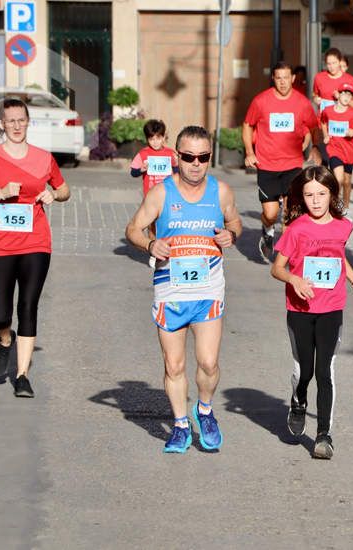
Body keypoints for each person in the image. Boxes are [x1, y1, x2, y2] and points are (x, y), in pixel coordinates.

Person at [125, 125, 243, 454]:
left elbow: (235, 222)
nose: (195, 163)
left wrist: (230, 236)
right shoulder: (161, 193)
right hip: (171, 291)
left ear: (209, 158)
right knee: (174, 366)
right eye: (188, 157)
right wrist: (150, 244)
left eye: (203, 157)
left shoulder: (221, 192)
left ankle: (203, 411)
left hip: (207, 289)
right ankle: (179, 425)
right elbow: (132, 228)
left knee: (208, 363)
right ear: (176, 156)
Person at [0, 98, 71, 397]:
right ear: (1, 124)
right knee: (1, 313)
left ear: (28, 122)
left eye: (20, 120)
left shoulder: (43, 158)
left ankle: (22, 375)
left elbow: (64, 190)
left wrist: (54, 194)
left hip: (35, 241)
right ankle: (4, 338)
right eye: (10, 120)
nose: (15, 125)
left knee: (28, 305)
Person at [271, 165, 353, 459]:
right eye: (309, 194)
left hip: (332, 308)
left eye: (321, 194)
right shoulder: (296, 228)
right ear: (302, 197)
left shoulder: (343, 226)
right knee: (305, 370)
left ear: (332, 195)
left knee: (325, 371)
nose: (315, 200)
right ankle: (298, 400)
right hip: (300, 308)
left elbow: (340, 258)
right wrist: (295, 279)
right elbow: (277, 268)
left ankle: (323, 435)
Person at [243, 61, 322, 262]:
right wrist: (249, 152)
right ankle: (267, 229)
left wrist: (314, 146)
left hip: (293, 165)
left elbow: (313, 126)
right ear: (273, 79)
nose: (283, 82)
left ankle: (286, 258)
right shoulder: (261, 101)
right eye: (279, 78)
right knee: (271, 213)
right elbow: (247, 125)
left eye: (286, 78)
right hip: (267, 165)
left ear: (293, 79)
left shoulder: (302, 102)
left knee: (290, 214)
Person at [320, 82, 353, 212]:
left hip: (349, 151)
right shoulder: (328, 111)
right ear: (338, 94)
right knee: (338, 179)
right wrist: (326, 135)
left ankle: (346, 208)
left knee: (347, 182)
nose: (346, 97)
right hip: (334, 149)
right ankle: (335, 205)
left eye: (349, 95)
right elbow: (323, 122)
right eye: (344, 93)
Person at [129, 119, 178, 197]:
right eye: (151, 139)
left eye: (158, 138)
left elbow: (177, 172)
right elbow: (133, 173)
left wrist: (177, 165)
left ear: (163, 137)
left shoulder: (171, 153)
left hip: (167, 194)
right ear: (147, 139)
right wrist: (141, 170)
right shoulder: (142, 154)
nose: (155, 142)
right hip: (150, 195)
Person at [312, 48, 353, 113]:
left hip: (342, 120)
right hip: (324, 120)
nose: (332, 67)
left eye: (334, 63)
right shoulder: (319, 77)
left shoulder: (350, 80)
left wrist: (342, 99)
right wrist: (315, 99)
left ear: (339, 62)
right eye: (329, 64)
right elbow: (314, 94)